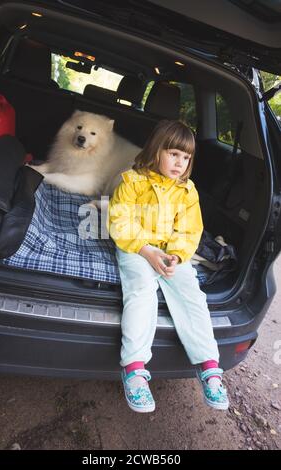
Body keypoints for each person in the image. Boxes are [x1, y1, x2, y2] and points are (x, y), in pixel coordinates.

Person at [108, 120, 229, 413]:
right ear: (157, 150)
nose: (180, 163)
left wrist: (176, 255)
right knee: (141, 290)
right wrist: (146, 251)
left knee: (192, 293)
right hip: (136, 247)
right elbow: (119, 221)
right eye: (174, 154)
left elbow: (190, 230)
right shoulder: (131, 181)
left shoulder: (187, 191)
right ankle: (134, 369)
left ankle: (209, 367)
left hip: (170, 253)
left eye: (186, 157)